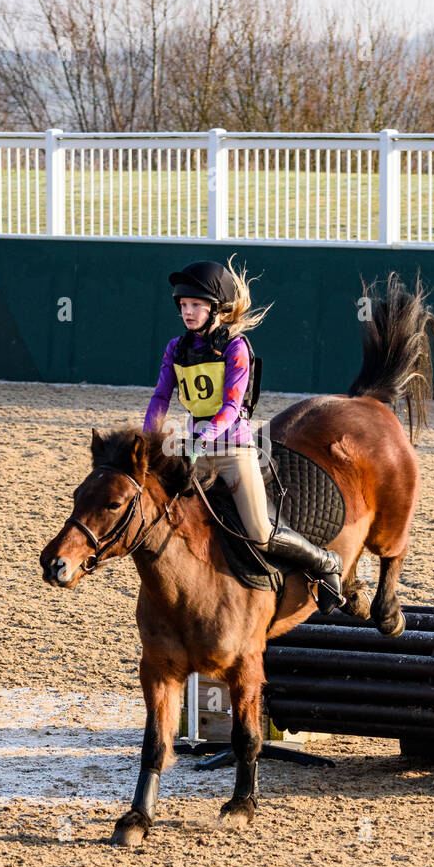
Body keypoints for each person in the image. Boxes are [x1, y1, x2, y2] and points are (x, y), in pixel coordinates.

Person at [143, 257, 344, 612]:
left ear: (216, 309)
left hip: (233, 449)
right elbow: (161, 396)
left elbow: (232, 408)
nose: (187, 312)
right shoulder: (177, 348)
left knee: (260, 532)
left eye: (196, 305)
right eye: (183, 306)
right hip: (193, 446)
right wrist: (148, 441)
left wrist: (202, 440)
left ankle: (325, 562)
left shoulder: (237, 348)